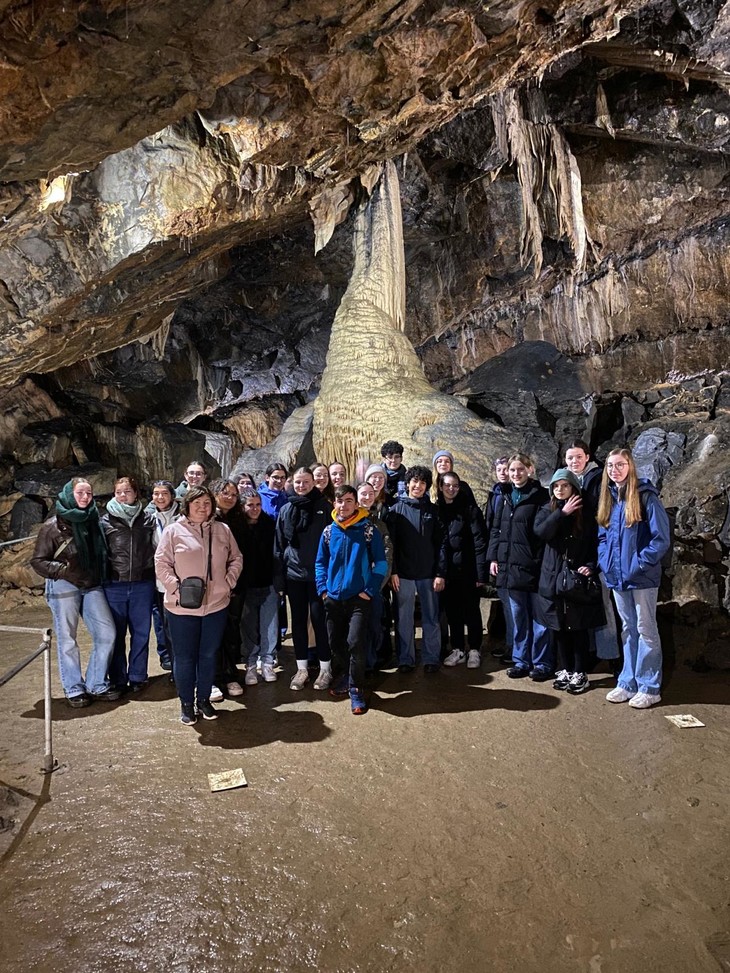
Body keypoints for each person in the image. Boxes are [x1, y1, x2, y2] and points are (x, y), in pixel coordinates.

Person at [155, 486, 242, 725]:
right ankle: (186, 703)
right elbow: (161, 562)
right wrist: (176, 588)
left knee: (208, 654)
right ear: (187, 505)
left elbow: (236, 558)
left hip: (216, 605)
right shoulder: (173, 531)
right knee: (184, 657)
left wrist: (228, 582)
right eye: (197, 503)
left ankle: (203, 699)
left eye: (206, 503)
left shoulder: (222, 530)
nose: (203, 508)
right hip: (182, 607)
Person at [31, 478, 120, 707]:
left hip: (91, 584)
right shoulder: (53, 526)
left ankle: (96, 683)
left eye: (89, 494)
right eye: (80, 493)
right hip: (64, 584)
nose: (85, 497)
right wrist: (63, 570)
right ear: (70, 494)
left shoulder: (93, 520)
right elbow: (38, 561)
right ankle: (73, 688)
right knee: (67, 638)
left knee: (107, 633)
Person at [597, 448, 670, 709]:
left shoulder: (646, 497)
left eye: (619, 465)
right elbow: (603, 536)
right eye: (610, 466)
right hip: (617, 577)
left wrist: (639, 564)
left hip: (642, 578)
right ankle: (628, 682)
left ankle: (650, 686)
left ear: (630, 467)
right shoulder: (610, 499)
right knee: (628, 630)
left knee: (646, 629)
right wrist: (605, 562)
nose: (614, 470)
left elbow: (660, 539)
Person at [315, 485, 388, 715]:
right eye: (340, 501)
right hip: (333, 597)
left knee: (355, 641)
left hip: (358, 597)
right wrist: (323, 589)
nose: (344, 505)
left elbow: (381, 564)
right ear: (334, 504)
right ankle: (348, 674)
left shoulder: (368, 531)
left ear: (356, 503)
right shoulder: (328, 532)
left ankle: (356, 688)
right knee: (335, 642)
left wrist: (369, 589)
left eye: (349, 501)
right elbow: (320, 563)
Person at [534, 469, 605, 695]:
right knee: (559, 626)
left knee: (578, 627)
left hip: (575, 579)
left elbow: (596, 543)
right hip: (553, 578)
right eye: (556, 486)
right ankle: (564, 669)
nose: (560, 490)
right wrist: (561, 513)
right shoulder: (547, 510)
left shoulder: (586, 513)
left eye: (565, 485)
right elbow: (541, 532)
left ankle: (579, 671)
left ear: (574, 487)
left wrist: (592, 566)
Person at [487, 453, 552, 680]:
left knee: (539, 618)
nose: (516, 474)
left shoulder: (542, 496)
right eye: (512, 470)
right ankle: (521, 660)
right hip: (510, 565)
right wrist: (493, 558)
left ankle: (542, 663)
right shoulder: (504, 495)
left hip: (533, 565)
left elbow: (542, 532)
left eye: (520, 469)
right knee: (517, 617)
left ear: (530, 470)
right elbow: (496, 530)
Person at [274, 467, 333, 690]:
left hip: (319, 576)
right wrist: (279, 580)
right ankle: (302, 669)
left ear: (313, 482)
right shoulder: (287, 509)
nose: (302, 486)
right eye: (298, 482)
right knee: (298, 622)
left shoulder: (324, 508)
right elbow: (279, 545)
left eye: (306, 482)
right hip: (294, 575)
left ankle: (325, 668)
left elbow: (332, 544)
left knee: (320, 620)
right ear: (292, 483)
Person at [385, 465, 447, 673]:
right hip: (403, 573)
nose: (418, 486)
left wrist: (440, 572)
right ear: (407, 483)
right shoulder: (396, 510)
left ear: (427, 486)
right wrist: (393, 571)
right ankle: (405, 659)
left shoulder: (433, 511)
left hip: (429, 573)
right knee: (404, 618)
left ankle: (431, 658)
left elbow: (441, 544)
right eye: (414, 481)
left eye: (422, 483)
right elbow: (390, 544)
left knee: (431, 617)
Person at [564, 438, 620, 665]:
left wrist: (598, 558)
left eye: (579, 456)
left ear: (587, 457)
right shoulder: (566, 482)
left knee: (603, 604)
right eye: (570, 458)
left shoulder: (598, 480)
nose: (574, 461)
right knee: (582, 605)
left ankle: (611, 657)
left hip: (598, 550)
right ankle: (589, 654)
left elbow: (603, 517)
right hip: (578, 552)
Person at [101, 476, 157, 693]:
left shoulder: (147, 520)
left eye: (127, 492)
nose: (123, 496)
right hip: (115, 584)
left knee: (141, 632)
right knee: (116, 633)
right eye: (119, 492)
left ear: (136, 494)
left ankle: (138, 675)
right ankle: (117, 677)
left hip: (142, 584)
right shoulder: (105, 522)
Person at [437, 472, 488, 669]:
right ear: (441, 487)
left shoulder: (470, 510)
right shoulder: (438, 510)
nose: (452, 489)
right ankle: (458, 648)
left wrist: (480, 573)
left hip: (468, 569)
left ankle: (474, 649)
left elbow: (479, 542)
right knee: (453, 611)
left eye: (455, 486)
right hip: (448, 571)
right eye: (448, 485)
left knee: (472, 610)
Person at [210, 478, 247, 698]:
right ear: (214, 493)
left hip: (235, 586)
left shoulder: (238, 519)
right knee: (214, 634)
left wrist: (234, 583)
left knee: (232, 632)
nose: (230, 498)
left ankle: (231, 674)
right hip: (213, 587)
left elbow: (242, 555)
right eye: (225, 493)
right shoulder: (207, 520)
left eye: (234, 495)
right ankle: (214, 678)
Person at [238, 489, 278, 684]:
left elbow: (277, 553)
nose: (254, 509)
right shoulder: (238, 527)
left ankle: (268, 662)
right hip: (246, 585)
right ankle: (251, 664)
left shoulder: (270, 524)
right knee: (248, 627)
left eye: (257, 505)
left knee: (270, 626)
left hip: (268, 583)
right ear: (243, 506)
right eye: (250, 505)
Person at [357, 481, 394, 669]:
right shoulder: (345, 521)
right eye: (363, 494)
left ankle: (369, 664)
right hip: (352, 586)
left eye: (370, 494)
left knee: (373, 626)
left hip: (374, 586)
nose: (367, 497)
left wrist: (377, 583)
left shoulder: (380, 525)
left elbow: (387, 556)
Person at [483, 457, 514, 662]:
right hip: (500, 557)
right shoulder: (495, 494)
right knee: (506, 603)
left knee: (514, 606)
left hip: (514, 557)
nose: (503, 473)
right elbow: (492, 528)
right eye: (500, 469)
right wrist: (492, 557)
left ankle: (515, 647)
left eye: (506, 469)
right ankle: (512, 645)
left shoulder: (514, 494)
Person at [148, 480, 180, 673]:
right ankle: (172, 662)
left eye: (164, 494)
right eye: (156, 494)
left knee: (178, 625)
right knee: (164, 624)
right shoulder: (150, 519)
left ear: (172, 496)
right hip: (159, 582)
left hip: (181, 579)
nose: (160, 497)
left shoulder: (182, 516)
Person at [380, 440, 407, 506]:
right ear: (384, 459)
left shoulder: (406, 475)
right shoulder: (377, 474)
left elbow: (404, 495)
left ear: (401, 458)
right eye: (390, 457)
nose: (393, 460)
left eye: (397, 457)